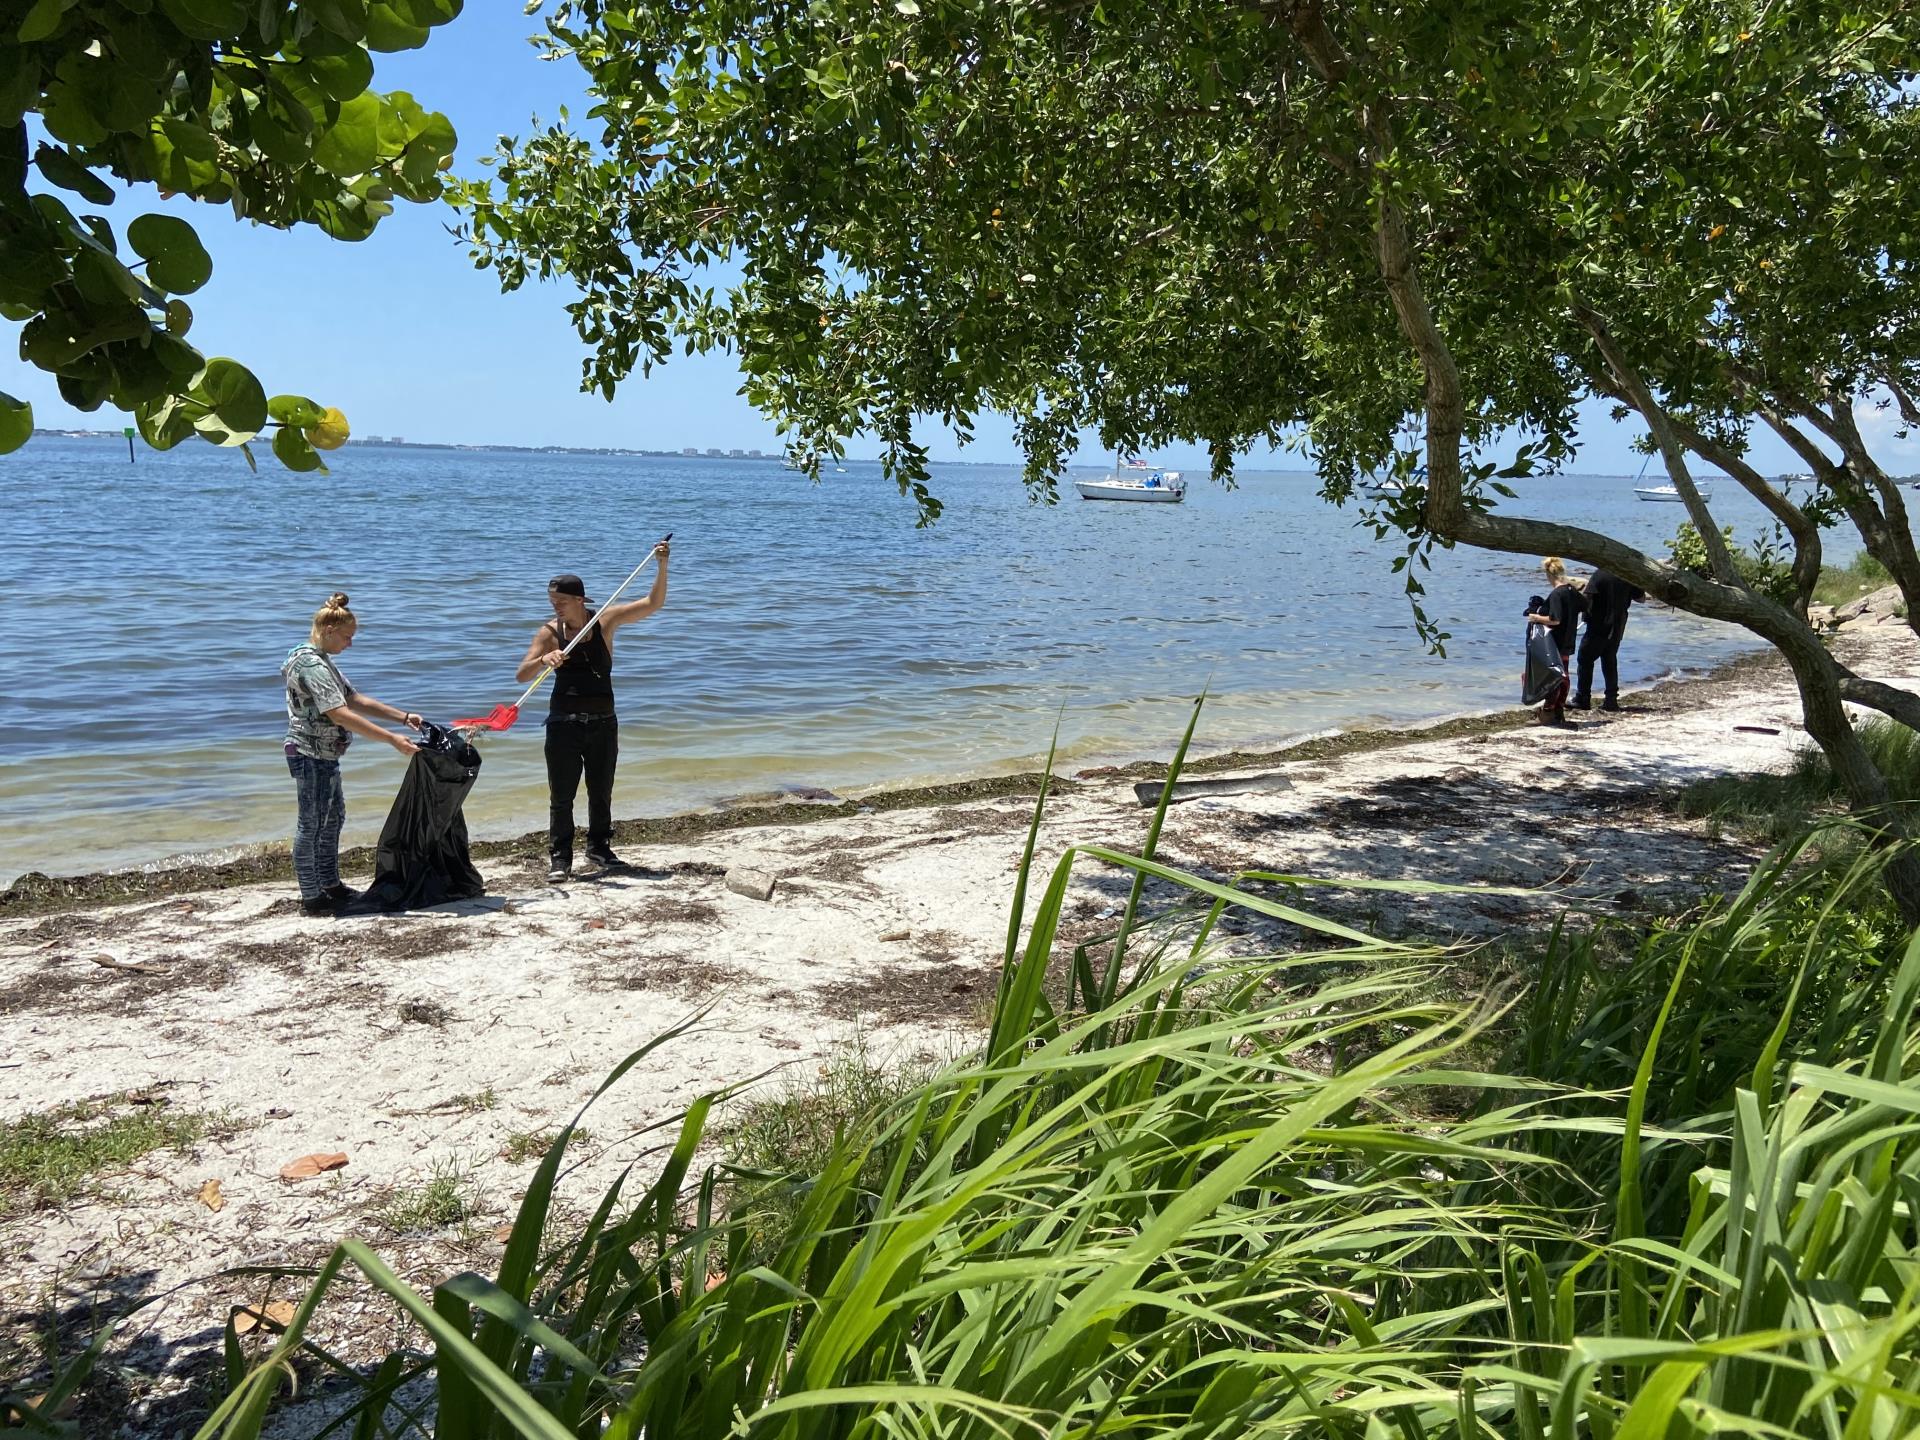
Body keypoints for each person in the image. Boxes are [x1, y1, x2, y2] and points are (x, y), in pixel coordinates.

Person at [519, 541, 671, 882]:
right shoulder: (549, 633)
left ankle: (599, 849)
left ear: (579, 601)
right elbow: (522, 674)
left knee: (601, 791)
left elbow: (653, 603)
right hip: (563, 726)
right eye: (552, 602)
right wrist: (544, 660)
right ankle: (560, 858)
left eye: (561, 602)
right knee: (562, 796)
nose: (556, 607)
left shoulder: (605, 621)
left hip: (604, 723)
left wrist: (661, 565)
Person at [283, 593, 422, 916]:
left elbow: (354, 699)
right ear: (329, 629)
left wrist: (402, 716)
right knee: (311, 824)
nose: (349, 644)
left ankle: (330, 884)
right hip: (309, 753)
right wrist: (391, 739)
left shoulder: (323, 661)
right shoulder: (309, 665)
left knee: (333, 819)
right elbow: (340, 713)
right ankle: (312, 897)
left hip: (326, 754)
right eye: (347, 637)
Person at [1572, 567, 1646, 712]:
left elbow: (1588, 598)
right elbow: (1641, 598)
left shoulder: (1600, 575)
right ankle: (1611, 699)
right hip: (1618, 625)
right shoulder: (1627, 574)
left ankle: (1583, 698)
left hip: (1599, 623)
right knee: (1609, 659)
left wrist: (1581, 616)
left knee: (1585, 659)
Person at [1524, 557, 1586, 726]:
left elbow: (1555, 619)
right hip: (1568, 639)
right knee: (1563, 675)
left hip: (1555, 642)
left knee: (1553, 676)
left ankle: (1548, 712)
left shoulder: (1557, 594)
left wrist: (1536, 617)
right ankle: (1558, 710)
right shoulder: (1571, 590)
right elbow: (1585, 605)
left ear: (1549, 575)